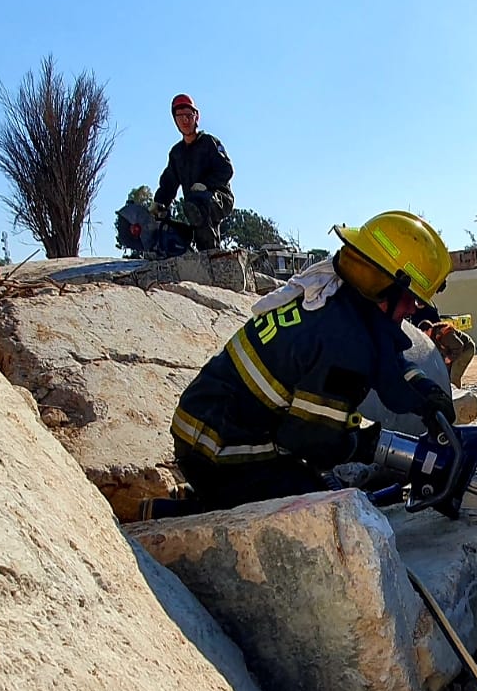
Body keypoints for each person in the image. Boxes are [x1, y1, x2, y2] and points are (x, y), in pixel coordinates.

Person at [170, 210, 456, 510]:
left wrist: (427, 394)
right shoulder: (343, 342)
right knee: (320, 509)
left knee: (320, 488)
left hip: (210, 428)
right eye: (411, 297)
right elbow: (314, 441)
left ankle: (205, 497)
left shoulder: (341, 300)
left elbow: (391, 364)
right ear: (386, 283)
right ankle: (180, 512)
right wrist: (371, 445)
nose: (414, 308)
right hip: (218, 449)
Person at [152, 94, 235, 251]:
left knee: (198, 206)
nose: (185, 120)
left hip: (219, 198)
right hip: (193, 204)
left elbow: (226, 170)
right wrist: (158, 204)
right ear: (175, 120)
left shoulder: (209, 143)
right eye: (180, 116)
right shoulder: (177, 153)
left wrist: (206, 185)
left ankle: (210, 254)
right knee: (164, 221)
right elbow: (169, 183)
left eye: (189, 115)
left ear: (196, 117)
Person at [417, 312, 476, 388]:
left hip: (466, 349)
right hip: (454, 351)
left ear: (429, 330)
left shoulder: (445, 334)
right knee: (446, 375)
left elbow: (459, 346)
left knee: (454, 376)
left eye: (423, 334)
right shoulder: (433, 337)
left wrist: (450, 358)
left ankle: (455, 395)